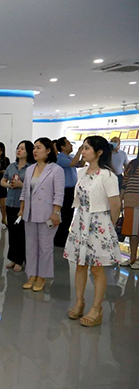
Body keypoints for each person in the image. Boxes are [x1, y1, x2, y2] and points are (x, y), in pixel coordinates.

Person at [64, 136, 121, 327]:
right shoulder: (81, 172)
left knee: (97, 268)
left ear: (99, 152)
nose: (83, 151)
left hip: (100, 223)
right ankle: (79, 302)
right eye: (83, 147)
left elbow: (115, 204)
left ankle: (97, 309)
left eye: (87, 148)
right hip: (81, 221)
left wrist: (109, 227)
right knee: (80, 265)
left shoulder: (108, 176)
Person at [18, 137, 64, 292]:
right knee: (30, 246)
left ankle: (42, 276)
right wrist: (22, 208)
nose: (35, 151)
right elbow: (25, 191)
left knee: (45, 247)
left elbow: (59, 194)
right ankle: (32, 274)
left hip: (47, 214)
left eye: (39, 148)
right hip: (30, 213)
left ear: (48, 150)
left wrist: (56, 212)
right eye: (34, 148)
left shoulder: (56, 170)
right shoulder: (30, 169)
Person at [1, 140, 35, 272]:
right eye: (18, 148)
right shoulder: (11, 166)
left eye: (22, 148)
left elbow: (35, 185)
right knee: (12, 232)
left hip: (24, 205)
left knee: (22, 233)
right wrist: (9, 185)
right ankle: (13, 258)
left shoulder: (31, 167)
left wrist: (22, 185)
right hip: (10, 202)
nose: (19, 150)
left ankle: (21, 260)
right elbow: (3, 180)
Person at [54, 137, 85, 247]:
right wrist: (80, 150)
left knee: (69, 214)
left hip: (71, 189)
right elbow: (73, 163)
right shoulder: (60, 158)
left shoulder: (70, 157)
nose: (71, 146)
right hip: (64, 190)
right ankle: (59, 239)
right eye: (68, 144)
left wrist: (83, 154)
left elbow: (80, 164)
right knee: (65, 214)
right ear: (62, 147)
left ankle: (64, 236)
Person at [121, 156, 139, 269]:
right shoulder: (133, 164)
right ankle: (132, 258)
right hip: (130, 201)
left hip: (132, 200)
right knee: (132, 232)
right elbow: (125, 182)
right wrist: (120, 199)